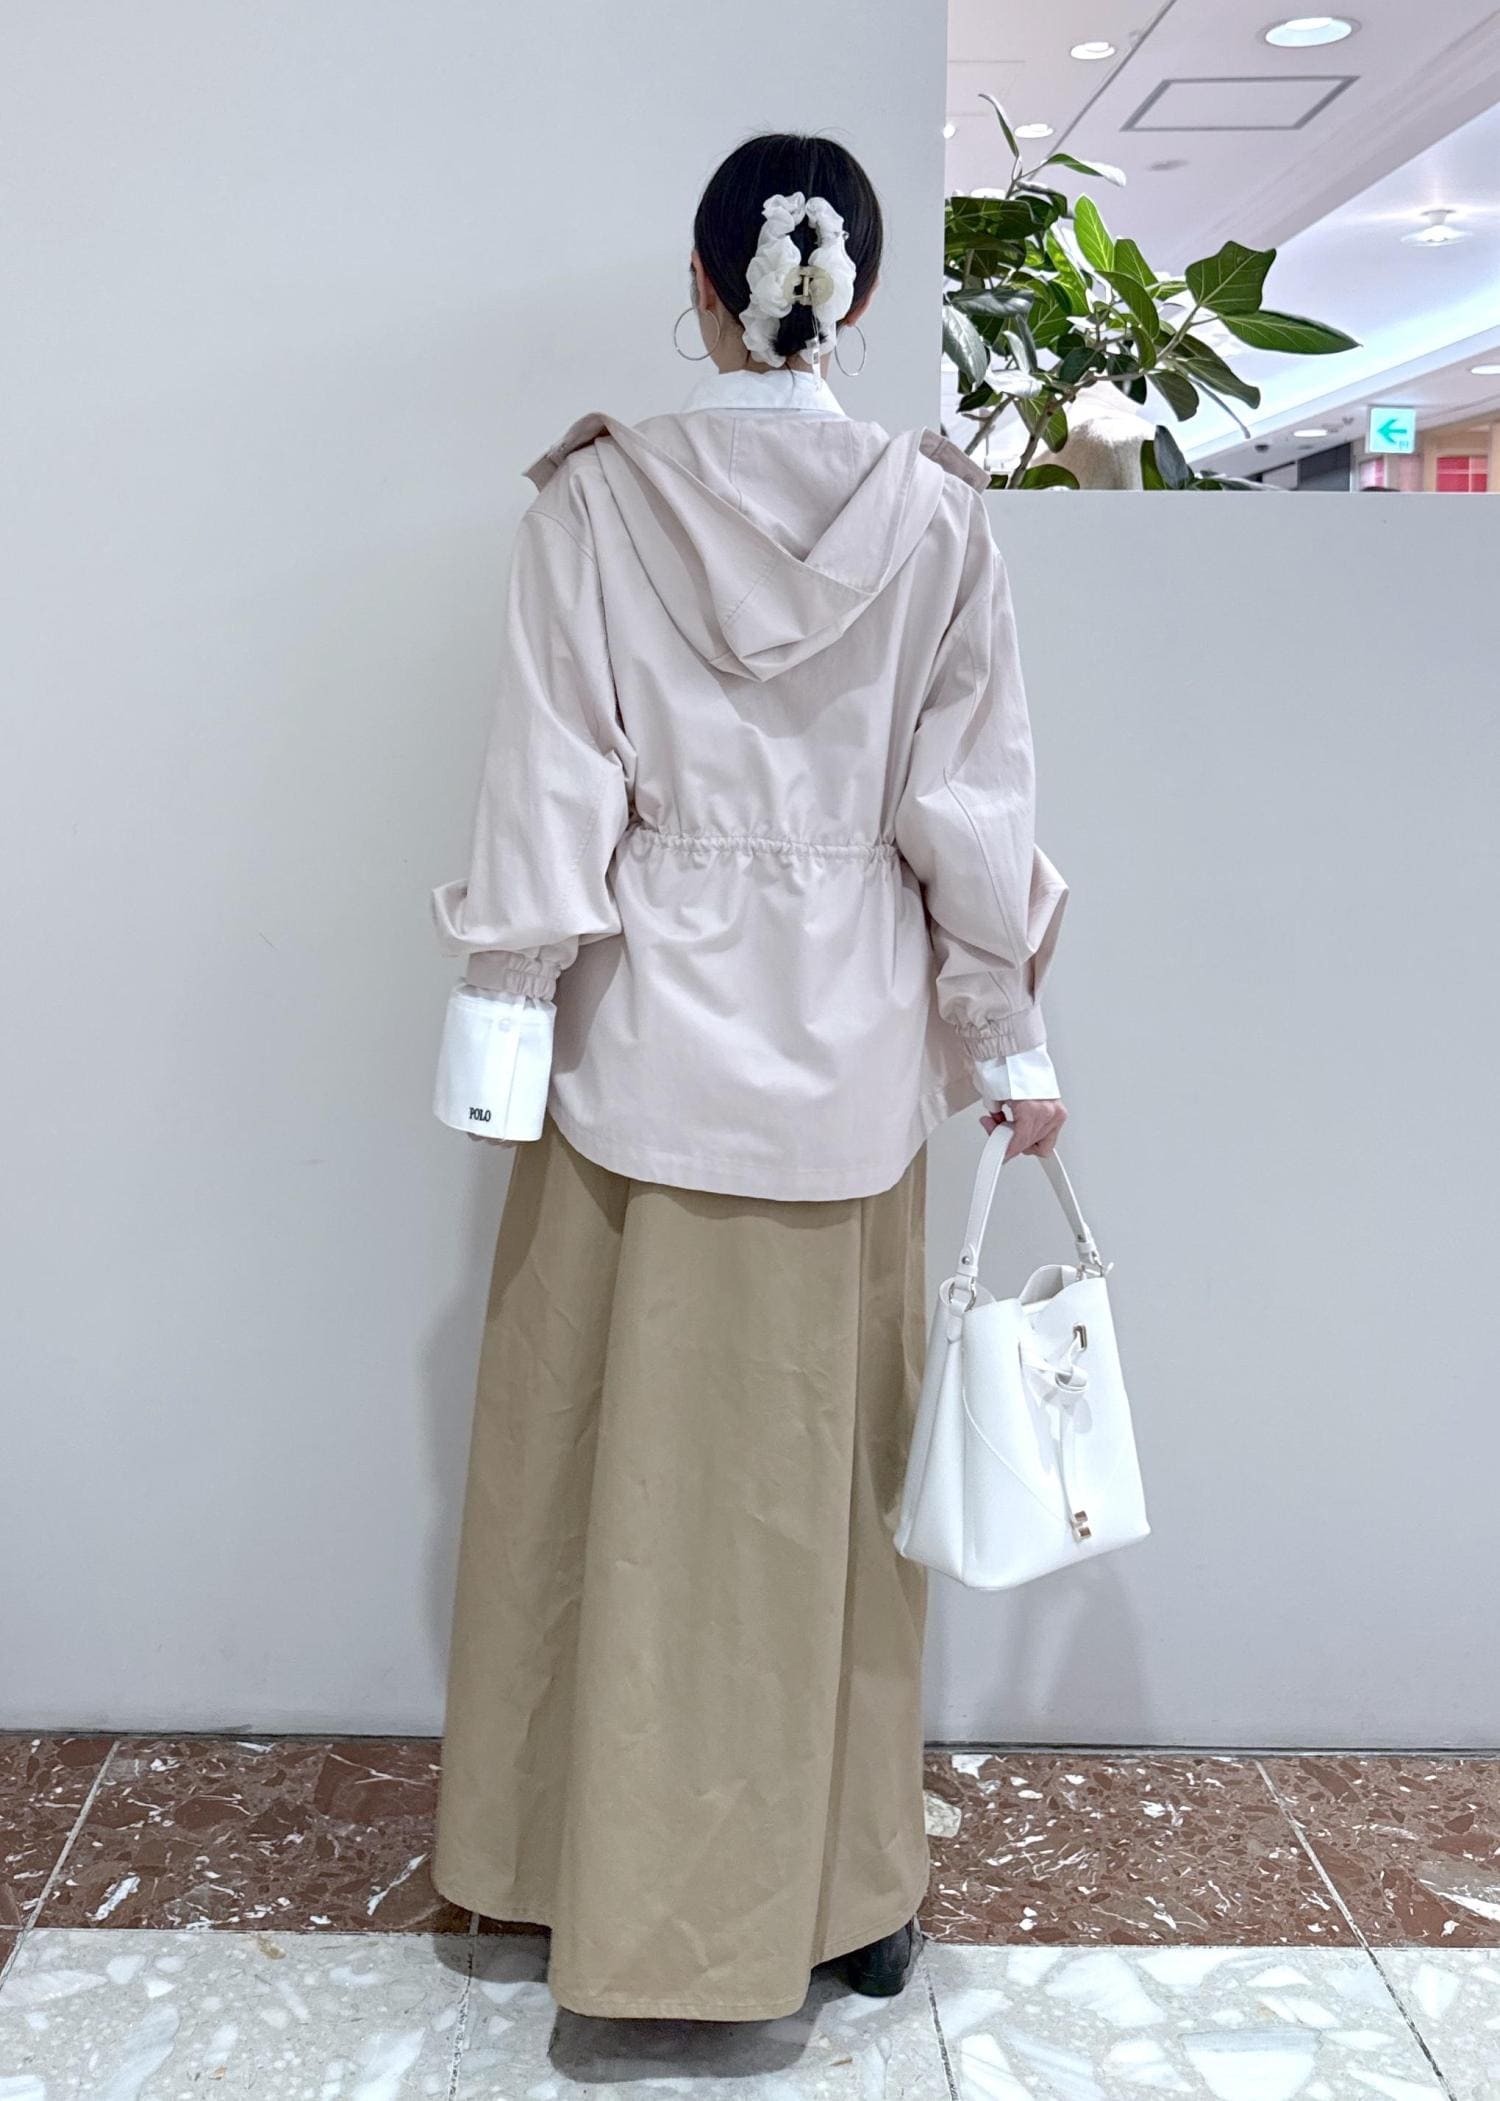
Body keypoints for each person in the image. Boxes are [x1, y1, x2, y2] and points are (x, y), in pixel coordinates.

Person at [426, 132, 1069, 2024]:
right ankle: (844, 1890)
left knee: (604, 1476)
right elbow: (971, 813)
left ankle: (566, 1870)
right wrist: (1010, 1042)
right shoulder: (938, 521)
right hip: (850, 1072)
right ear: (850, 300)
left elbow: (550, 780)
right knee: (830, 1503)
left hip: (635, 1052)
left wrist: (504, 1018)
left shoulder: (595, 504)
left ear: (705, 289)